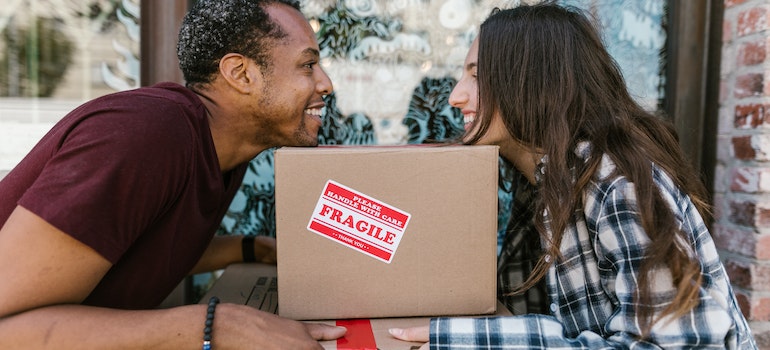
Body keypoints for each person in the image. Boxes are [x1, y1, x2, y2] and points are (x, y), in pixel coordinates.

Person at [390, 3, 757, 349]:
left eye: (478, 75)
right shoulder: (543, 181)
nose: (455, 95)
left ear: (531, 83)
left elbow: (673, 343)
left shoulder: (613, 180)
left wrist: (476, 339)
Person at [0, 0, 347, 348]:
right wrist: (218, 326)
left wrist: (251, 248)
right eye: (308, 65)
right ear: (241, 74)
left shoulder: (221, 150)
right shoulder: (146, 135)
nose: (325, 84)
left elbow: (130, 248)